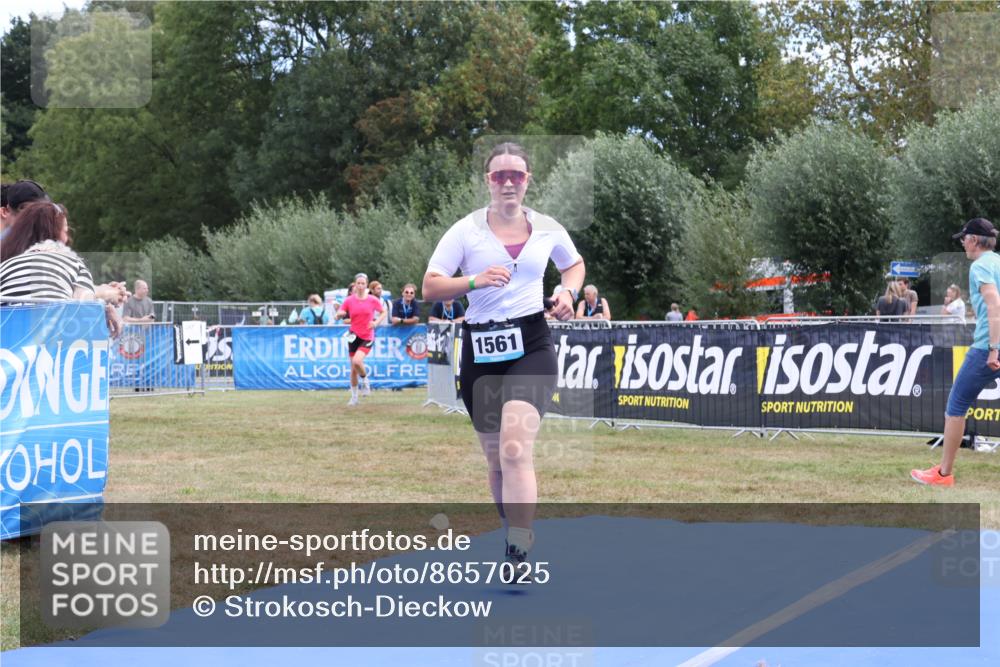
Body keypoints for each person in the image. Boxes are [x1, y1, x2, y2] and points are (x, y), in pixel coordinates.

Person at [422, 142, 584, 576]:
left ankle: (518, 547)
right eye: (499, 175)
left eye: (517, 174)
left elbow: (574, 266)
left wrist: (567, 291)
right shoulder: (466, 231)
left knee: (515, 448)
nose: (508, 182)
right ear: (488, 181)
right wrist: (473, 280)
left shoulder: (548, 228)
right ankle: (513, 529)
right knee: (495, 460)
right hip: (480, 349)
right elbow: (430, 287)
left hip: (531, 344)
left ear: (529, 180)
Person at [912, 218, 999, 487]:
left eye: (964, 238)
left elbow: (994, 305)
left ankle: (943, 474)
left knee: (956, 406)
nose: (962, 243)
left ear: (973, 240)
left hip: (988, 346)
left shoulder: (980, 266)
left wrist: (994, 349)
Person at [0, 201, 124, 336]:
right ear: (55, 234)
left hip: (10, 345)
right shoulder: (74, 264)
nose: (67, 238)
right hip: (54, 345)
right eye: (65, 231)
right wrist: (104, 307)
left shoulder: (5, 266)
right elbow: (82, 306)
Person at [335, 272, 383, 405]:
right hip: (353, 336)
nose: (361, 286)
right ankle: (354, 397)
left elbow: (383, 312)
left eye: (363, 283)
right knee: (353, 369)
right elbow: (342, 312)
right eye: (358, 283)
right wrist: (338, 314)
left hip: (367, 336)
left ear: (366, 285)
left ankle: (366, 380)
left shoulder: (373, 300)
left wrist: (376, 322)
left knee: (357, 361)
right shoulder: (349, 300)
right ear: (355, 285)